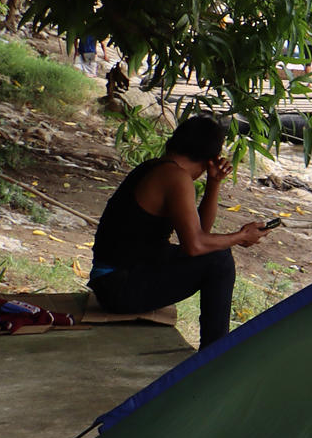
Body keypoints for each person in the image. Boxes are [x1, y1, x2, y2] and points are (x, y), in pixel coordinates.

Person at [89, 116, 272, 347]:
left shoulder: (159, 168)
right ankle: (214, 356)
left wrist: (214, 183)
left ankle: (213, 352)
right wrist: (241, 236)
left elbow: (201, 232)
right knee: (220, 262)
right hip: (118, 287)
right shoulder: (175, 177)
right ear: (211, 158)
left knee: (215, 255)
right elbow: (195, 246)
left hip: (118, 278)